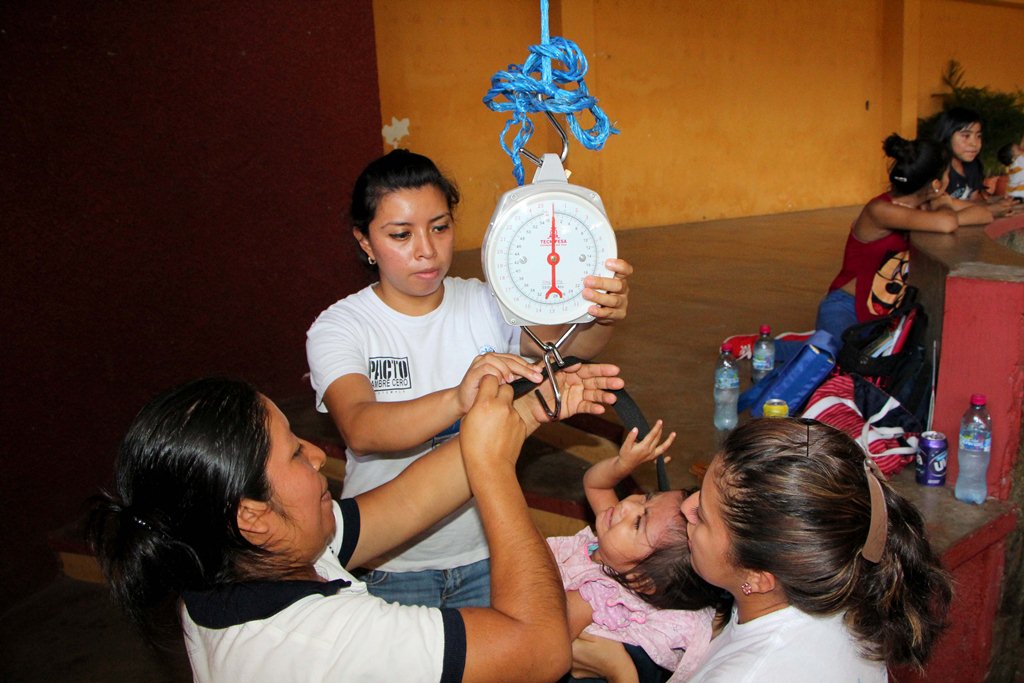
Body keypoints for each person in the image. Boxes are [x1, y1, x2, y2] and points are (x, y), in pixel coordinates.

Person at [89, 364, 625, 682]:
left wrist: (526, 414)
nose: (317, 455)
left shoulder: (233, 557)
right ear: (252, 516)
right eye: (295, 455)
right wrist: (494, 472)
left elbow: (406, 503)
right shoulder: (319, 645)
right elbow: (540, 649)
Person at [306, 148, 634, 608]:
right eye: (401, 234)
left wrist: (601, 315)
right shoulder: (341, 326)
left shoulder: (487, 301)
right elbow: (362, 429)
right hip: (391, 568)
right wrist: (457, 398)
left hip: (489, 553)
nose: (426, 249)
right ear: (365, 242)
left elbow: (570, 346)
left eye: (440, 227)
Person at [568, 418, 953, 682]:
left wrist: (620, 673)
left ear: (757, 576)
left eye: (702, 516)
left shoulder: (749, 674)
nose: (686, 508)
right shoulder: (839, 585)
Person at [765, 133, 991, 365]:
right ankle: (766, 346)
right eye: (946, 175)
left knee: (871, 364)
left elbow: (983, 213)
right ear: (936, 184)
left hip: (880, 316)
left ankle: (810, 342)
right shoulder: (880, 210)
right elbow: (947, 223)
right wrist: (944, 204)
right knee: (836, 359)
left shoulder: (924, 208)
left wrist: (943, 207)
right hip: (845, 307)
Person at [550, 421, 725, 681]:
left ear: (640, 580)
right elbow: (596, 485)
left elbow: (546, 642)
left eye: (638, 522)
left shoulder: (596, 594)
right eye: (646, 498)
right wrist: (621, 465)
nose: (627, 506)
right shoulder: (620, 551)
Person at [932, 107, 1014, 216]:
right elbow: (942, 203)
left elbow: (974, 200)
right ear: (947, 136)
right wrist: (989, 209)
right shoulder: (937, 168)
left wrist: (999, 205)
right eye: (966, 136)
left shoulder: (972, 165)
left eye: (978, 136)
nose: (974, 143)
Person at [997, 135, 1024, 202]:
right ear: (1013, 158)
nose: (1021, 149)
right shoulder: (1019, 161)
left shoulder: (1011, 167)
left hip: (1013, 195)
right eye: (1018, 149)